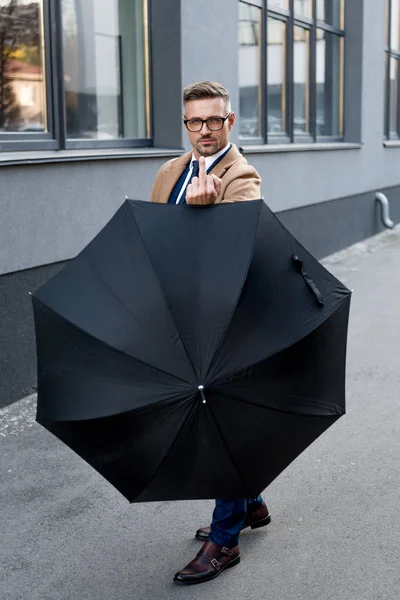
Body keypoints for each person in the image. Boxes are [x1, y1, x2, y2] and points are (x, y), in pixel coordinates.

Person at [150, 81, 271, 585]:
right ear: (185, 123)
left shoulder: (242, 176)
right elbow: (155, 236)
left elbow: (234, 256)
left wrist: (205, 214)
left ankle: (226, 540)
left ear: (230, 120)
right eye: (194, 122)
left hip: (226, 318)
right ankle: (254, 506)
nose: (204, 131)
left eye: (213, 121)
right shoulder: (168, 170)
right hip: (181, 310)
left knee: (221, 421)